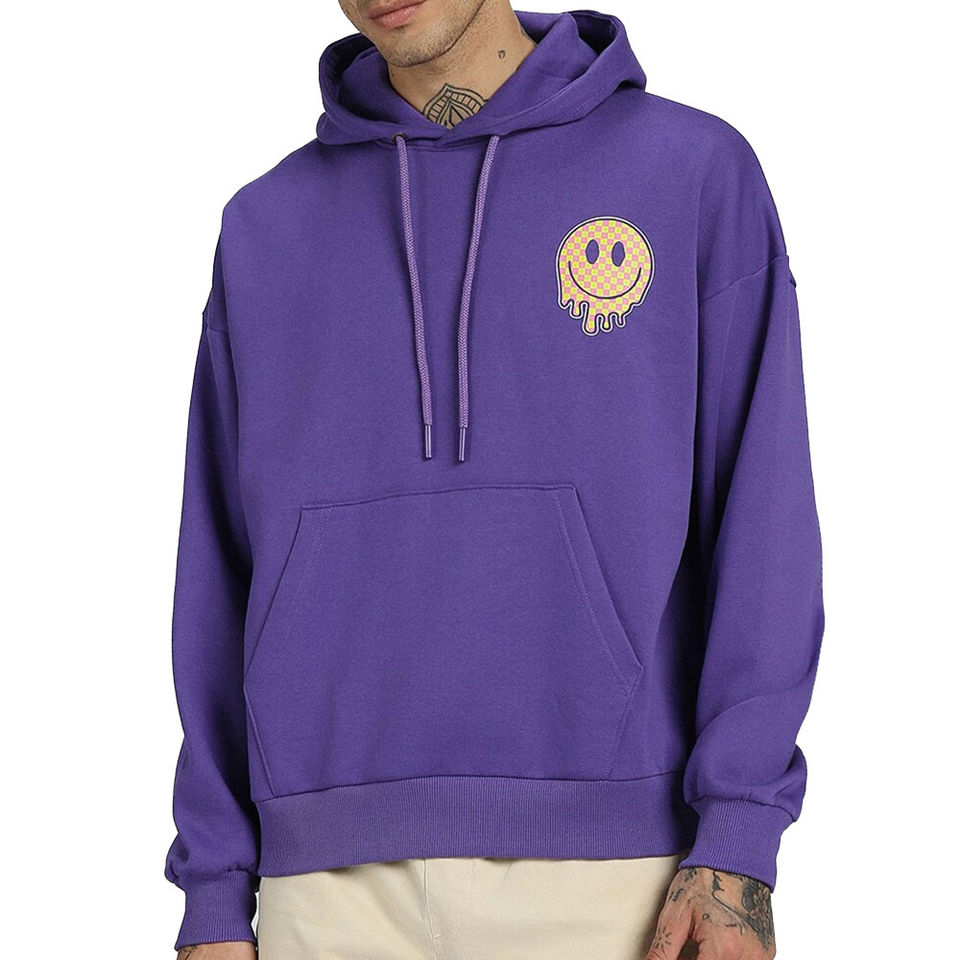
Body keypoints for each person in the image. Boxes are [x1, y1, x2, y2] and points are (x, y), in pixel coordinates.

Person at [163, 2, 825, 958]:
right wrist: (215, 890)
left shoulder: (688, 173)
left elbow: (764, 523)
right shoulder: (265, 226)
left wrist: (740, 838)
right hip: (321, 888)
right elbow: (216, 570)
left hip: (622, 878)